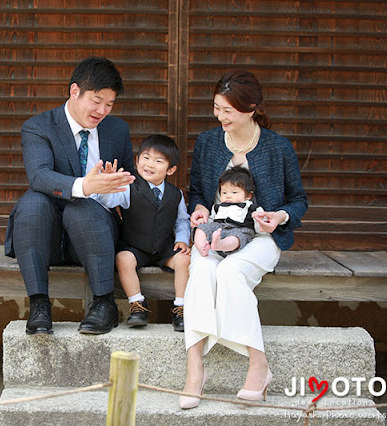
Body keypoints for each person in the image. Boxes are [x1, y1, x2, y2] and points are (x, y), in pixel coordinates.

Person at [179, 69, 308, 409]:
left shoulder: (278, 147)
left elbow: (298, 200)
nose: (219, 116)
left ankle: (258, 365)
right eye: (216, 108)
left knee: (231, 272)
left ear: (251, 108)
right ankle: (195, 370)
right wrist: (200, 211)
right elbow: (196, 194)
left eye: (227, 111)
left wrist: (280, 217)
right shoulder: (208, 143)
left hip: (261, 238)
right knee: (204, 271)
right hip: (215, 232)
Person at [4, 57, 136, 336]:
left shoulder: (117, 130)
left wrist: (113, 186)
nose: (102, 110)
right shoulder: (39, 126)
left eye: (109, 104)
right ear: (74, 91)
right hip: (47, 235)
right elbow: (38, 175)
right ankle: (39, 304)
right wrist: (85, 186)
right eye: (96, 100)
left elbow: (130, 184)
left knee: (83, 208)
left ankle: (104, 303)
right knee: (32, 202)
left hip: (94, 233)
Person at [98, 135, 190, 331]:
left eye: (158, 161)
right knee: (123, 259)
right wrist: (108, 185)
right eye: (146, 158)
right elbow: (108, 202)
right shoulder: (128, 188)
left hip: (164, 248)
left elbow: (182, 220)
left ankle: (180, 308)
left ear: (171, 169)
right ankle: (137, 305)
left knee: (184, 260)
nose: (150, 164)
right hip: (135, 246)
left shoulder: (177, 194)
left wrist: (182, 240)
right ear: (137, 160)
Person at [193, 166, 266, 258]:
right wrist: (204, 223)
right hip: (219, 227)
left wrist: (258, 219)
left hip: (240, 228)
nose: (228, 196)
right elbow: (211, 220)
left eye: (234, 192)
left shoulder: (251, 208)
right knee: (201, 228)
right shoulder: (217, 207)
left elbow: (261, 227)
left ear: (248, 195)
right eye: (224, 193)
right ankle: (201, 247)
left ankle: (220, 244)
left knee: (237, 237)